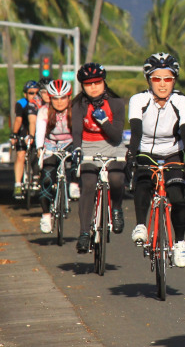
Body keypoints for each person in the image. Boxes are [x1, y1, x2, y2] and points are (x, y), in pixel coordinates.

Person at [127, 52, 185, 268]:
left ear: (174, 80)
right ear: (149, 80)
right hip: (146, 150)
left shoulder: (181, 101)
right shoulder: (138, 100)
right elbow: (136, 131)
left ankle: (180, 243)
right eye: (157, 79)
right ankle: (140, 225)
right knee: (144, 183)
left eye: (168, 78)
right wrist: (131, 153)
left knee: (177, 196)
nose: (163, 84)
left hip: (173, 152)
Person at [71, 63, 127, 254]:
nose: (93, 87)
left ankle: (117, 209)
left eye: (97, 82)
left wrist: (103, 121)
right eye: (88, 84)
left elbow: (117, 136)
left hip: (112, 145)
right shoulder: (78, 105)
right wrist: (77, 148)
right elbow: (77, 131)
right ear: (83, 86)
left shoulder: (117, 103)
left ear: (104, 82)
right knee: (87, 184)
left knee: (117, 178)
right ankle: (84, 233)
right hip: (88, 145)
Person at [35, 79, 73, 233]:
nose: (59, 102)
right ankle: (45, 215)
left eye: (63, 98)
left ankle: (73, 185)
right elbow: (40, 131)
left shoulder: (75, 110)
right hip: (51, 144)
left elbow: (79, 131)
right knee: (46, 178)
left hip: (70, 143)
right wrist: (39, 148)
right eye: (55, 98)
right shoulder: (44, 111)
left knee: (78, 165)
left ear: (69, 97)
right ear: (50, 98)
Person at [11, 80, 41, 199]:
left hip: (37, 131)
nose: (34, 96)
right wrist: (14, 134)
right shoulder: (21, 103)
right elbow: (18, 120)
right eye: (31, 93)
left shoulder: (41, 103)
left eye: (37, 93)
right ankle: (18, 184)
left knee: (38, 153)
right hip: (24, 129)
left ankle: (36, 177)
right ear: (25, 94)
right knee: (20, 155)